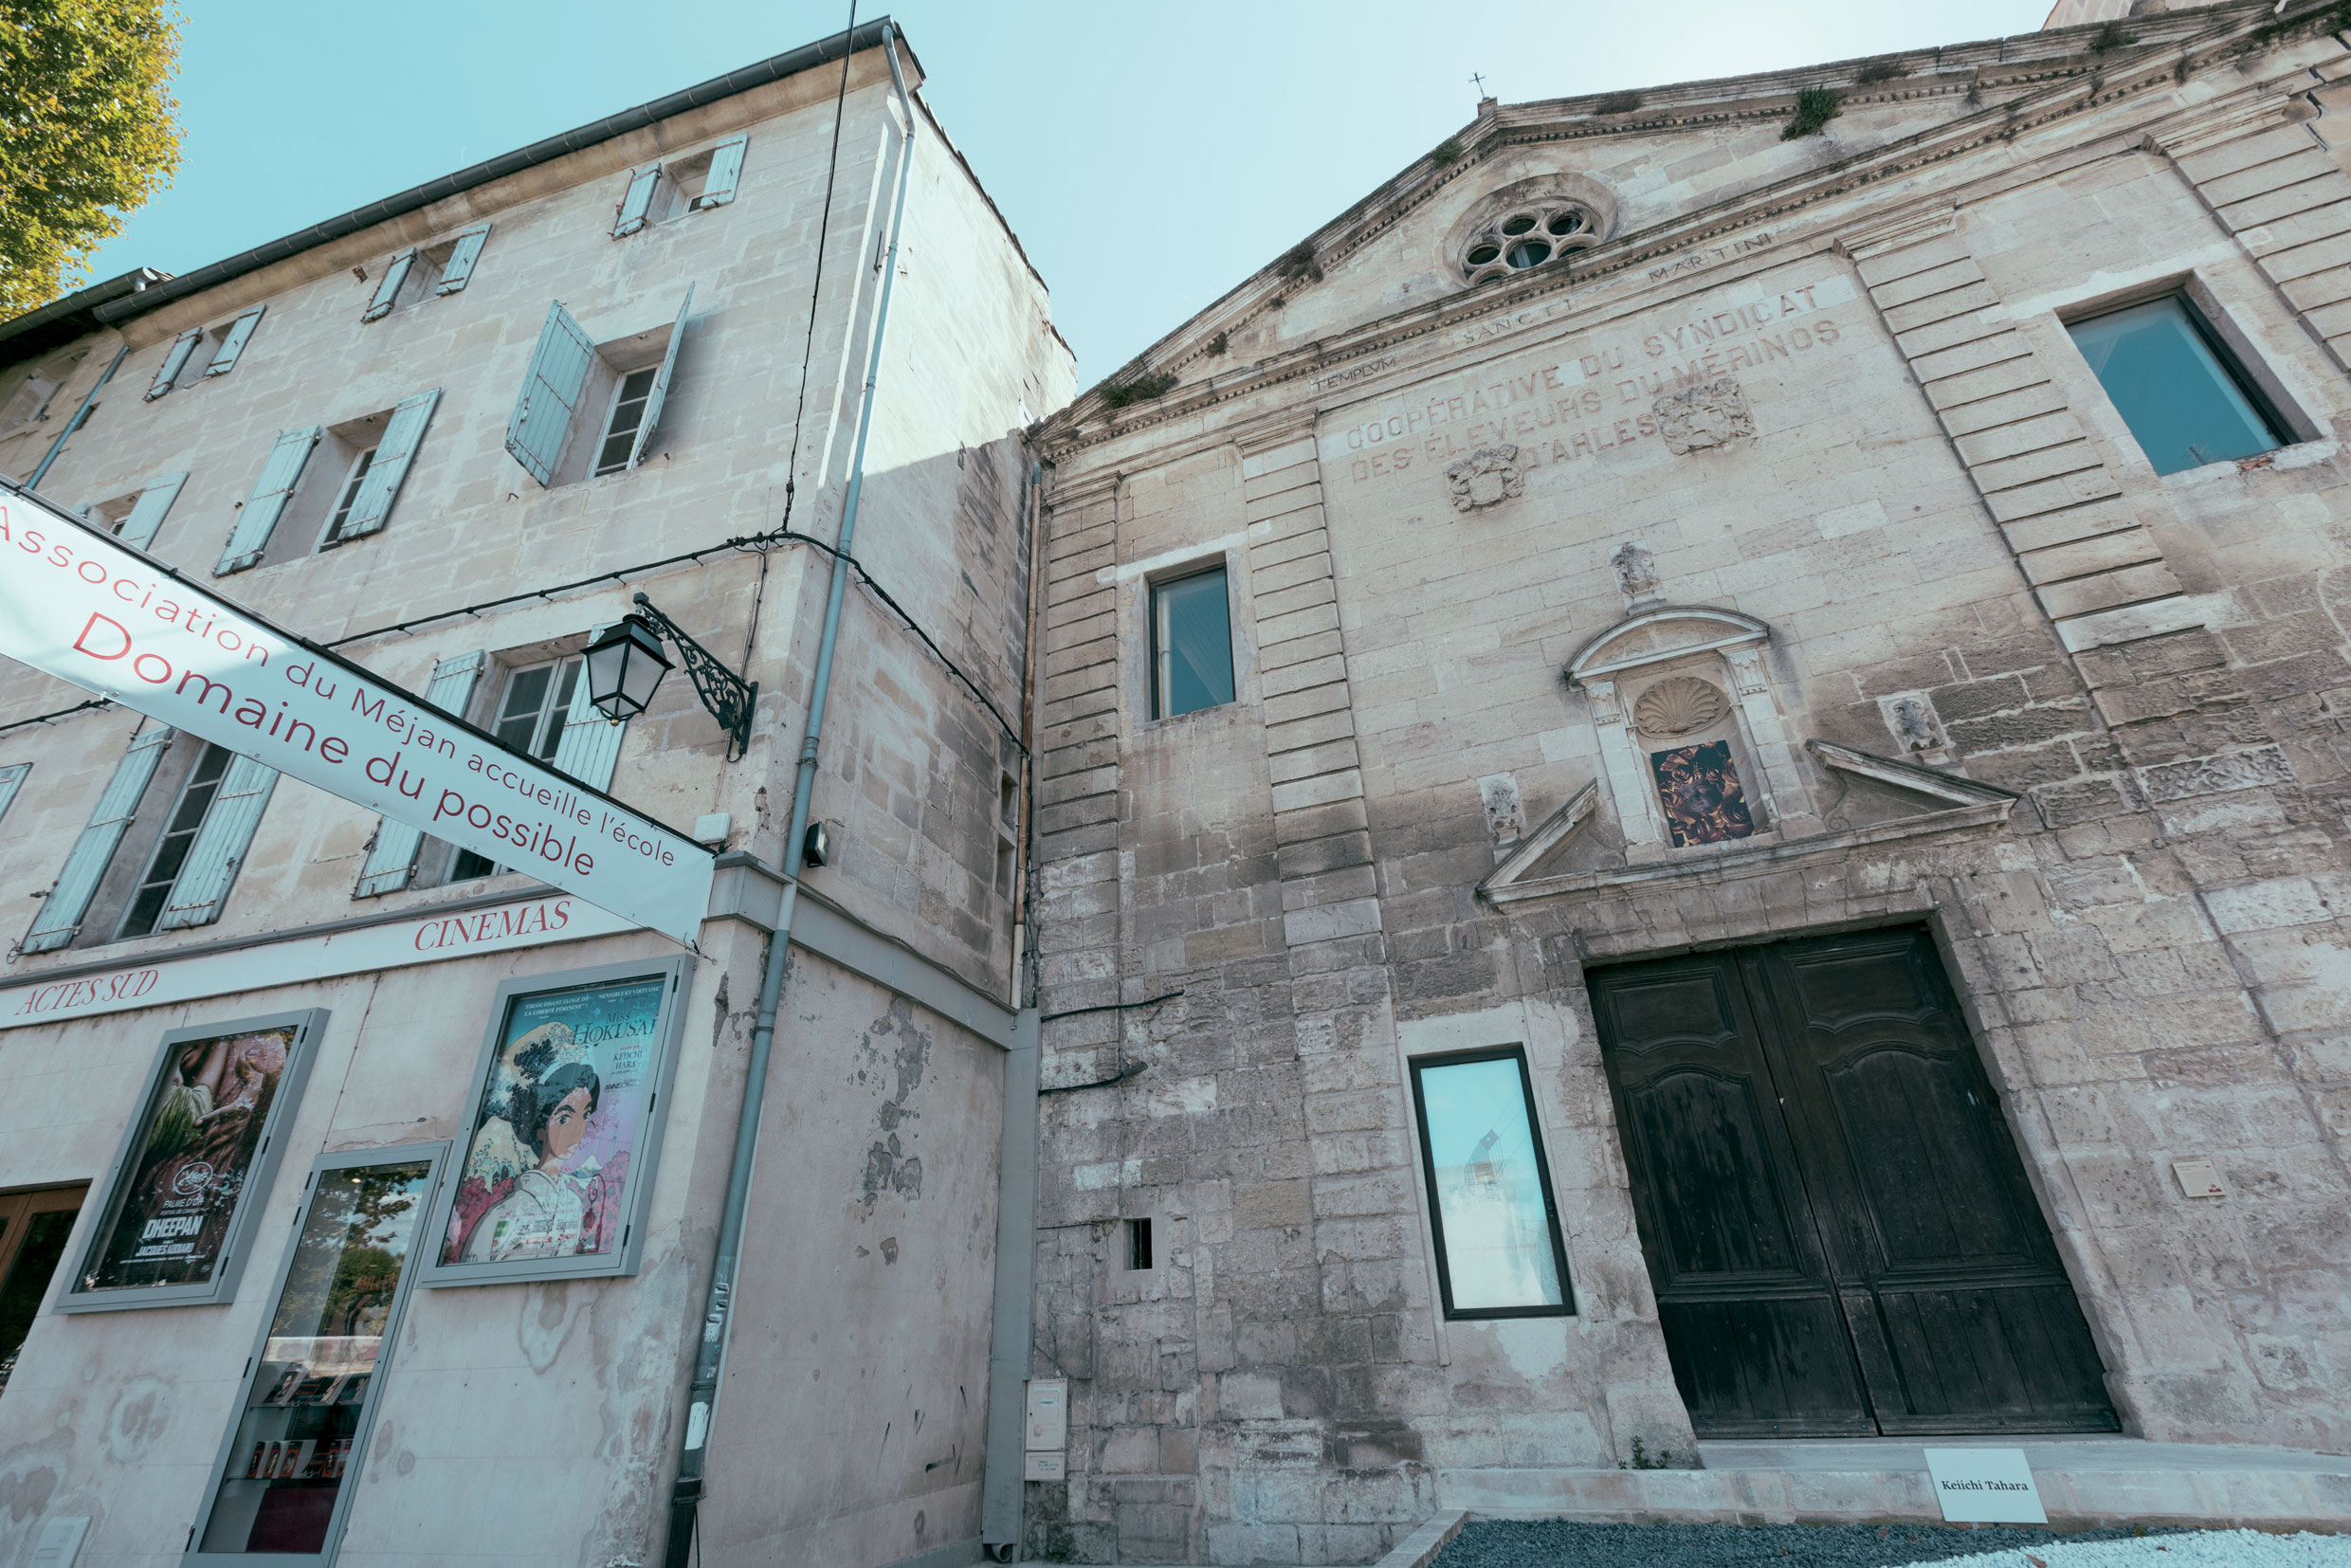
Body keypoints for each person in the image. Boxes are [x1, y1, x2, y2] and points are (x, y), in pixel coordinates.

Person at [460, 1063, 601, 1263]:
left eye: (585, 1116)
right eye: (564, 1118)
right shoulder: (508, 1211)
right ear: (541, 1128)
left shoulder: (573, 1205)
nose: (577, 1130)